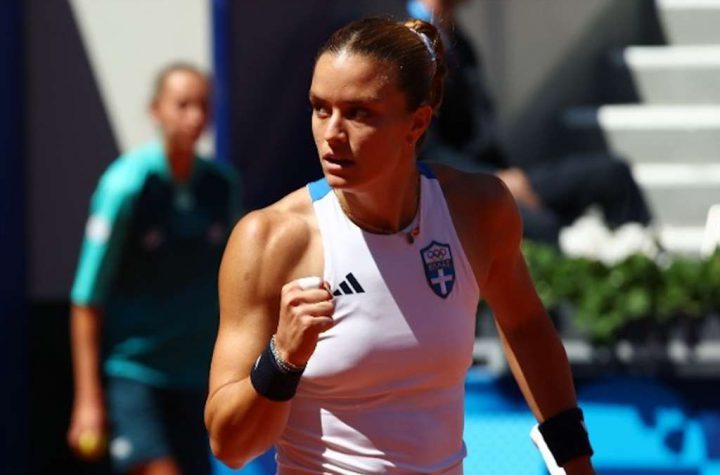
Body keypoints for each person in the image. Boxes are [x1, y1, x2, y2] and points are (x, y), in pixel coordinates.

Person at [205, 18, 594, 474]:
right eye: (320, 108)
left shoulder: (478, 211)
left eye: (359, 113)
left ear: (417, 124)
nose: (332, 133)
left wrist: (575, 463)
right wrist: (282, 359)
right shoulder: (269, 240)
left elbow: (526, 328)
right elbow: (230, 446)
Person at [67, 63, 241, 475]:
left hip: (199, 377)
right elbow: (86, 299)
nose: (195, 116)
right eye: (182, 105)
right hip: (135, 374)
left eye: (203, 105)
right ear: (156, 110)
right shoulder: (125, 186)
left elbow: (238, 284)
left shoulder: (223, 186)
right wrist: (88, 399)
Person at [409, 0, 652, 243]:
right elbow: (426, 149)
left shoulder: (456, 39)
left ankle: (638, 260)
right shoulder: (411, 44)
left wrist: (504, 177)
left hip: (501, 173)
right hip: (456, 186)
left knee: (613, 177)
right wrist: (492, 179)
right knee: (543, 228)